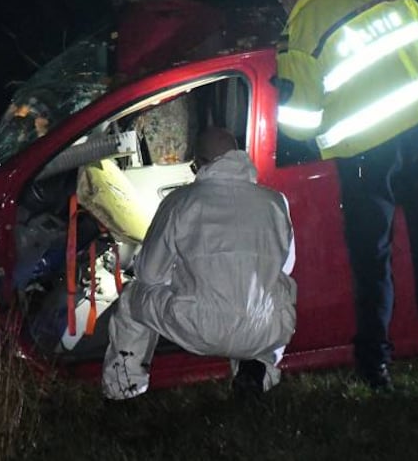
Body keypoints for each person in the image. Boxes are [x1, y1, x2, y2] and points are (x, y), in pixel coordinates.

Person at [270, 0, 418, 398]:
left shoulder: (300, 29)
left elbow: (300, 123)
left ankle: (376, 367)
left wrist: (281, 95)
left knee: (372, 261)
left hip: (366, 157)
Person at [102, 127, 297, 400]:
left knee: (134, 297)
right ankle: (257, 369)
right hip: (263, 330)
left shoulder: (180, 201)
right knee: (276, 291)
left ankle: (124, 387)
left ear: (201, 163)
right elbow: (284, 267)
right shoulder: (276, 202)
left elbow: (149, 273)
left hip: (199, 327)